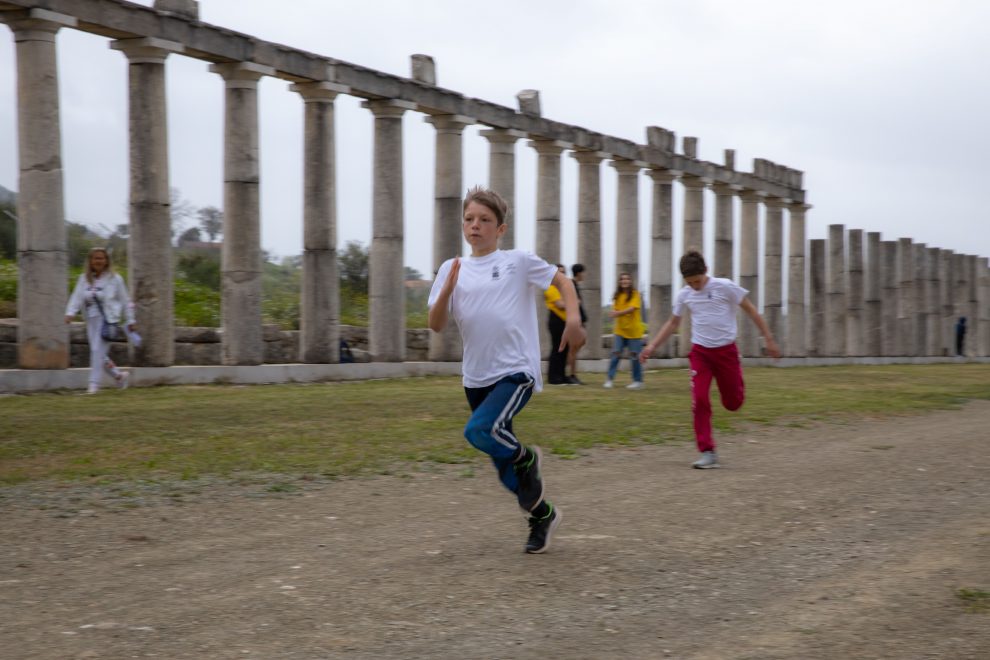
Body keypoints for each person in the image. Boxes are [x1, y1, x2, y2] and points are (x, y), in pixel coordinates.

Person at [428, 186, 585, 553]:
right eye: (469, 219)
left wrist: (574, 318)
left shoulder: (517, 261)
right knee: (504, 468)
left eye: (484, 220)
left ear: (500, 229)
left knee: (480, 430)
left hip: (516, 371)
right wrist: (448, 288)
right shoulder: (452, 269)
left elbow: (561, 280)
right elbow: (435, 324)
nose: (475, 226)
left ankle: (527, 456)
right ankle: (542, 515)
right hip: (476, 377)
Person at [639, 251, 780, 469]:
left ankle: (736, 388)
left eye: (697, 281)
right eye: (690, 282)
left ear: (705, 271)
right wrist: (652, 346)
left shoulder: (725, 287)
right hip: (700, 354)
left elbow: (752, 311)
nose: (695, 286)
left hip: (726, 353)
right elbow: (673, 323)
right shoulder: (684, 295)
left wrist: (768, 339)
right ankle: (707, 451)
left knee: (733, 403)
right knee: (700, 400)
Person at [64, 247, 136, 394]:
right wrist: (70, 312)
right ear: (90, 261)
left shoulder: (115, 279)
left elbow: (125, 300)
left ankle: (93, 385)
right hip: (91, 319)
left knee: (97, 351)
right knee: (98, 353)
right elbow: (77, 296)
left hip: (107, 320)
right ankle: (119, 376)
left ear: (106, 261)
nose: (98, 261)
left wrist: (130, 319)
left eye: (101, 258)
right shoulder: (84, 279)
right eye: (95, 258)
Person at [604, 272, 647, 390]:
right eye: (622, 279)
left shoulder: (635, 294)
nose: (625, 281)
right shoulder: (617, 295)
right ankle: (609, 379)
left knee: (634, 356)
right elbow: (615, 310)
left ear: (631, 281)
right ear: (619, 282)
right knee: (615, 354)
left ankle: (638, 381)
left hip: (634, 332)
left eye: (627, 279)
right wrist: (615, 313)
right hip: (620, 331)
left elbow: (632, 309)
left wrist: (617, 313)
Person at [544, 264, 569, 385]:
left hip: (565, 321)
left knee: (565, 349)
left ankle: (562, 376)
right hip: (556, 320)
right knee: (557, 349)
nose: (562, 275)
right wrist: (571, 301)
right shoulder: (551, 288)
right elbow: (561, 305)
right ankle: (553, 378)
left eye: (564, 272)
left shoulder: (562, 289)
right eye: (559, 272)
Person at [566, 264, 589, 384]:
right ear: (579, 273)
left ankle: (571, 371)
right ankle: (572, 374)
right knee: (573, 349)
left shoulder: (575, 285)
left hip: (580, 320)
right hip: (576, 321)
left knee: (579, 344)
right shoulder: (571, 285)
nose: (584, 275)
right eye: (583, 272)